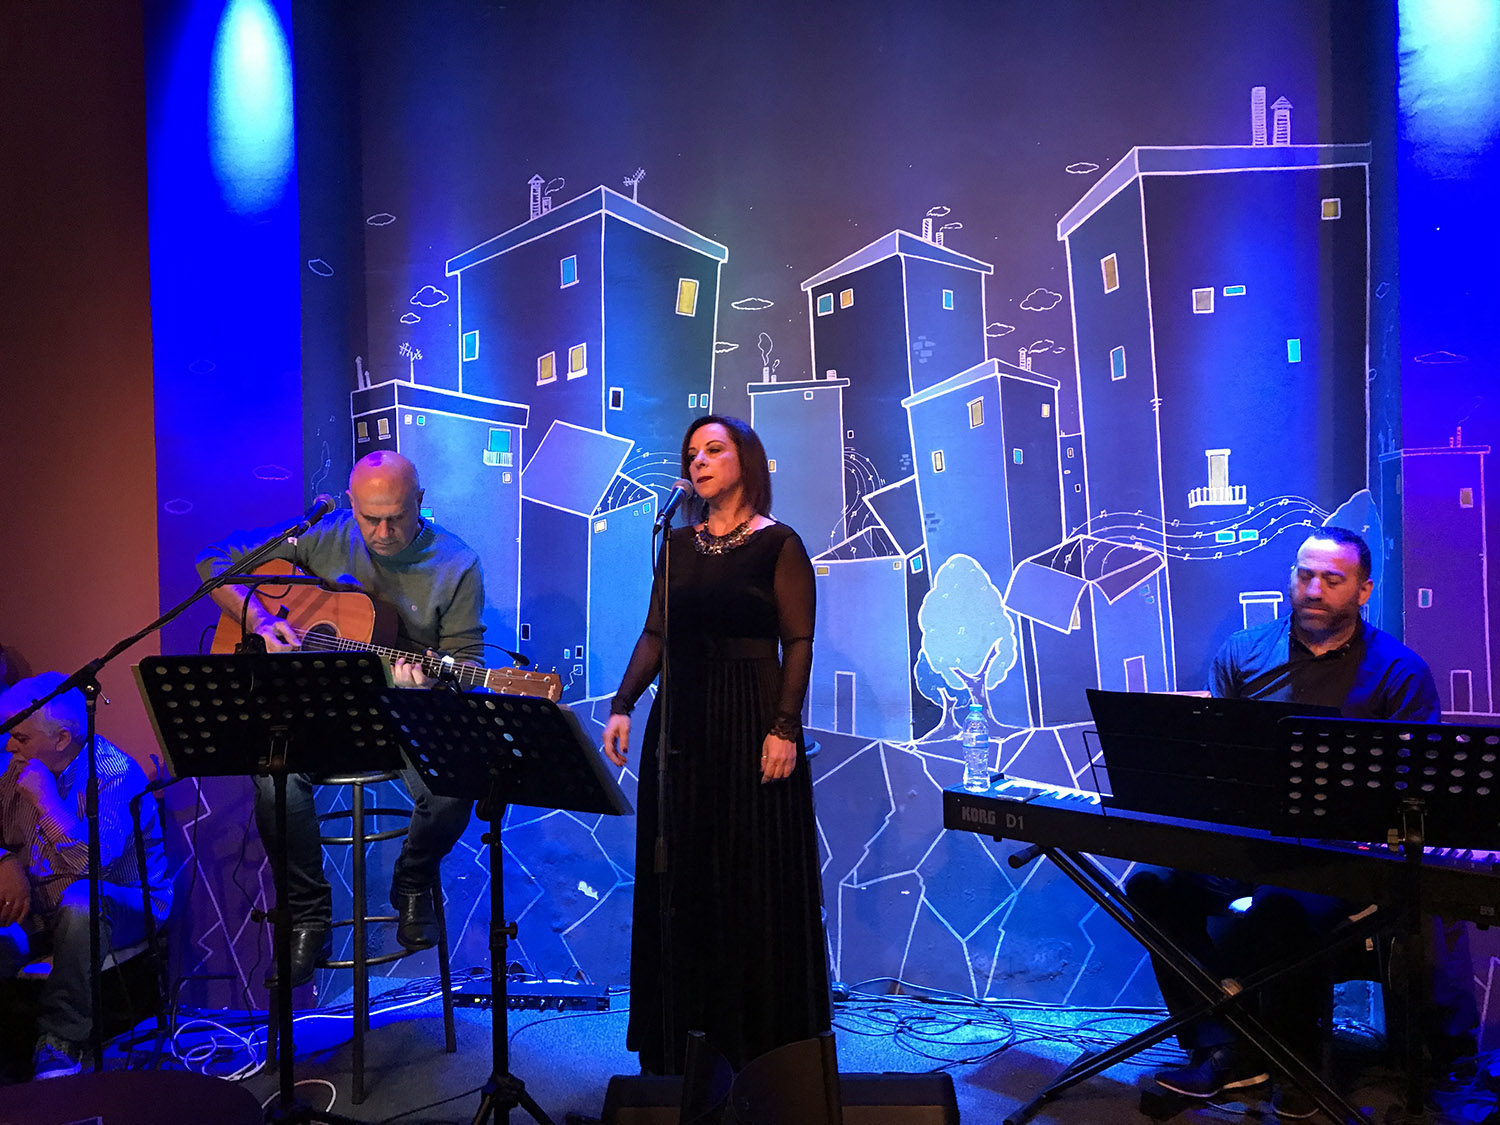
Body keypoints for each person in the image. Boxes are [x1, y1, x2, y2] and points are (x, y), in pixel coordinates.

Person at [1126, 526, 1474, 1117]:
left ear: (1363, 590)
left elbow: (1417, 788)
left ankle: (1296, 1063)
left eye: (1332, 579)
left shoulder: (1399, 671)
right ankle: (1220, 1046)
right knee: (1151, 886)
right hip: (1247, 841)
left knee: (1282, 906)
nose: (1314, 590)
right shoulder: (1243, 652)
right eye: (1304, 575)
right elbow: (1216, 762)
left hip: (1341, 857)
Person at [196, 450, 484, 985]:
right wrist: (258, 619)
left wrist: (426, 687)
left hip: (405, 712)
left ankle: (414, 880)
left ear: (420, 501)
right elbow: (214, 561)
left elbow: (467, 662)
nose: (382, 532)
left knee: (456, 783)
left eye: (397, 516)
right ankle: (308, 914)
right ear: (351, 504)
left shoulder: (457, 563)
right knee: (274, 779)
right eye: (370, 518)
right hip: (321, 708)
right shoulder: (318, 535)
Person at [602, 415, 831, 1074]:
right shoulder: (676, 545)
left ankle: (761, 1041)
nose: (698, 461)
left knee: (749, 869)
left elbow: (799, 641)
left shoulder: (779, 543)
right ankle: (680, 1035)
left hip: (752, 717)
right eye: (691, 453)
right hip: (683, 721)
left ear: (745, 461)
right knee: (682, 871)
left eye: (713, 449)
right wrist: (623, 704)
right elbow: (656, 633)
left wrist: (784, 727)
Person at [0, 672, 171, 1079]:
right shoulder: (13, 770)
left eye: (20, 737)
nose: (9, 746)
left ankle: (61, 1039)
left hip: (123, 903)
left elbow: (94, 866)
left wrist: (47, 801)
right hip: (41, 906)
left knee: (82, 899)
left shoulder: (113, 773)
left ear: (61, 739)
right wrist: (4, 860)